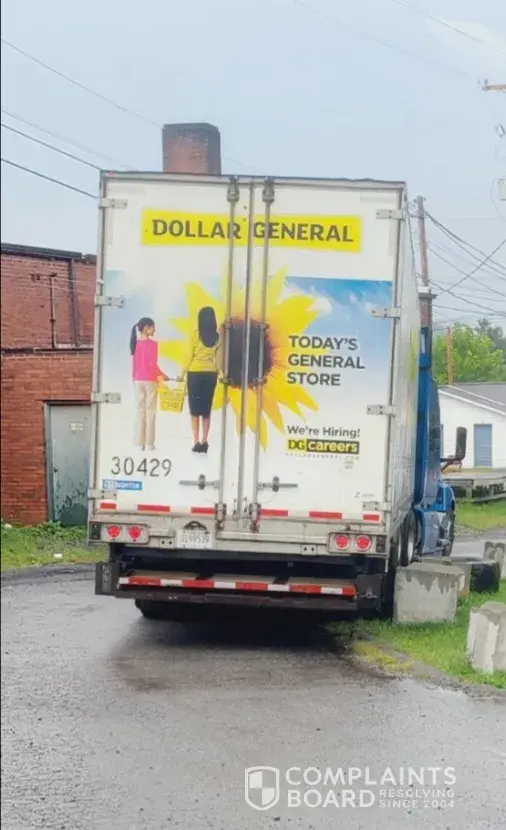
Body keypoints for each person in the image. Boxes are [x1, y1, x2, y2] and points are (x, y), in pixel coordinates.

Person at [177, 306, 221, 453]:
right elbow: (219, 361)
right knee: (206, 410)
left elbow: (188, 356)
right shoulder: (217, 338)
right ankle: (205, 440)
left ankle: (196, 441)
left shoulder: (196, 335)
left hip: (195, 374)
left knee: (195, 410)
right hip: (210, 374)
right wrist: (218, 372)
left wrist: (181, 374)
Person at [130, 317, 168, 451]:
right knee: (150, 411)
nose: (154, 330)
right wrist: (162, 375)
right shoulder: (153, 344)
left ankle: (139, 442)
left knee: (140, 411)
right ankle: (149, 443)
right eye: (153, 327)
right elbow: (152, 364)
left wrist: (134, 379)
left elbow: (134, 365)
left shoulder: (135, 344)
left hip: (137, 380)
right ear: (146, 328)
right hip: (150, 380)